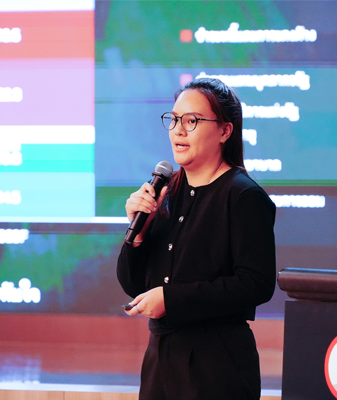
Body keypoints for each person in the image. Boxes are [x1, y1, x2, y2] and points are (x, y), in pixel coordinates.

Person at [117, 77, 276, 400]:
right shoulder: (165, 192)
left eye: (191, 121)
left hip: (216, 368)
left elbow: (256, 284)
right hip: (160, 364)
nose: (178, 130)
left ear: (225, 131)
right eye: (174, 119)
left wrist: (171, 300)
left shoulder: (243, 196)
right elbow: (134, 285)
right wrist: (138, 233)